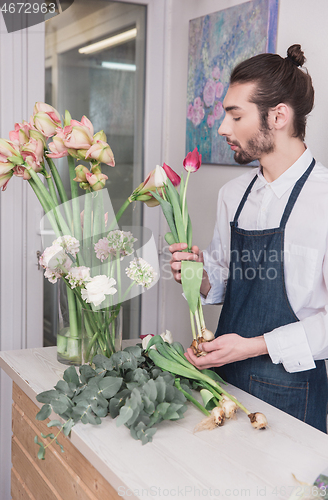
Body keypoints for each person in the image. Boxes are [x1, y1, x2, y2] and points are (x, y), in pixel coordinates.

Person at [170, 44, 328, 432]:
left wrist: (254, 345)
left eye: (235, 115)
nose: (223, 128)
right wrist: (200, 274)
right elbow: (226, 281)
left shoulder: (323, 201)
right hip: (225, 382)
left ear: (278, 116)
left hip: (292, 392)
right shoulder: (233, 194)